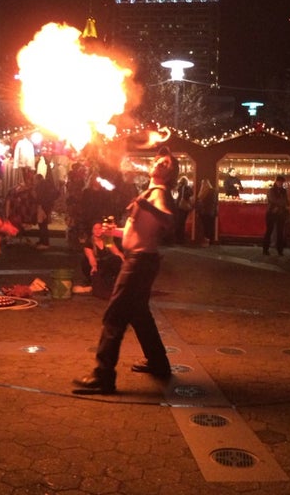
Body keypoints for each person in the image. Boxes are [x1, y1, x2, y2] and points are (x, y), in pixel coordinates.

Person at [73, 147, 179, 394]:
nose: (160, 164)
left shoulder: (159, 194)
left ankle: (103, 377)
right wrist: (115, 233)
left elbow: (167, 220)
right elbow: (139, 229)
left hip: (139, 263)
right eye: (159, 160)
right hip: (142, 260)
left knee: (114, 316)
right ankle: (158, 363)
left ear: (171, 173)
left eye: (166, 164)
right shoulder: (151, 192)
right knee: (139, 314)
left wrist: (145, 204)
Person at [79, 222, 125, 299]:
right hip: (92, 266)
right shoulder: (89, 243)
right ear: (92, 231)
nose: (98, 231)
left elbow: (117, 252)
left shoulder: (107, 240)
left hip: (103, 264)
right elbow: (91, 258)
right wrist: (94, 266)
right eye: (95, 229)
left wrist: (125, 262)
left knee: (116, 259)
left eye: (100, 228)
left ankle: (117, 284)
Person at [262, 175, 288, 256]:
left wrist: (281, 204)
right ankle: (265, 249)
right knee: (269, 231)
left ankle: (280, 250)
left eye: (282, 182)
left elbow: (285, 200)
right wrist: (282, 203)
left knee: (280, 232)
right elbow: (274, 200)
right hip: (272, 213)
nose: (281, 183)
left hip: (280, 213)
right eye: (279, 182)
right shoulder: (271, 190)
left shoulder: (284, 191)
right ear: (276, 182)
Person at [34, 172, 59, 250]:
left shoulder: (40, 185)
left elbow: (39, 197)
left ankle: (45, 243)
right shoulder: (47, 184)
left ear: (37, 179)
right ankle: (42, 241)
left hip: (43, 206)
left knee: (43, 225)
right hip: (47, 206)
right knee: (43, 224)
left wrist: (40, 207)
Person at [195, 178, 217, 246]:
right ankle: (210, 241)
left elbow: (200, 202)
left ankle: (206, 241)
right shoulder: (214, 191)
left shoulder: (203, 192)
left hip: (204, 212)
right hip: (211, 211)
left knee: (205, 227)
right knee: (210, 226)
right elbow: (215, 202)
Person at [175, 176, 193, 244]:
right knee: (182, 222)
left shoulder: (179, 187)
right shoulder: (186, 188)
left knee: (179, 221)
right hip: (184, 206)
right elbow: (190, 194)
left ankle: (178, 237)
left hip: (178, 205)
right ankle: (181, 237)